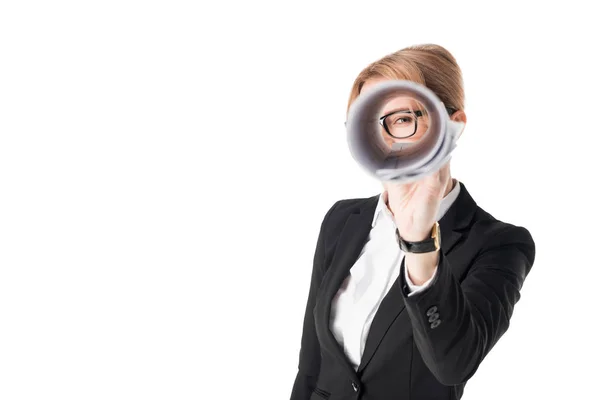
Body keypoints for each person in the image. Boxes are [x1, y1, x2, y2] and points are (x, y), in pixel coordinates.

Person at [289, 44, 536, 400]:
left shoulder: (499, 245)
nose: (383, 138)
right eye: (366, 120)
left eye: (402, 119)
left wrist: (420, 242)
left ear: (453, 127)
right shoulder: (342, 220)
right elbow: (310, 363)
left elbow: (454, 366)